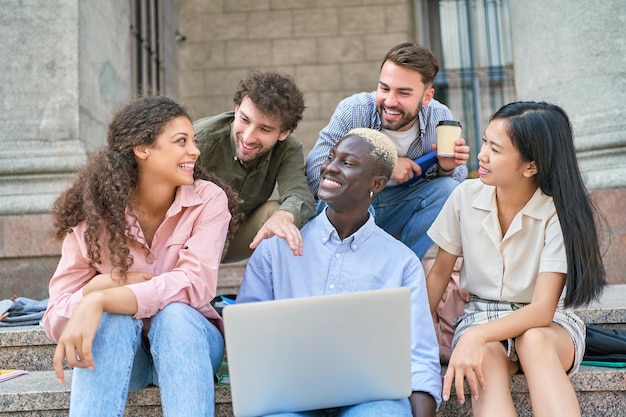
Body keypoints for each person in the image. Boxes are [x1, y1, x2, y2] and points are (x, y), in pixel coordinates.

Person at [42, 95, 243, 417]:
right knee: (113, 320)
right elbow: (55, 318)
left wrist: (105, 298)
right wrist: (97, 290)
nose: (195, 151)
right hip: (123, 355)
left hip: (191, 343)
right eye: (181, 141)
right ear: (142, 148)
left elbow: (195, 285)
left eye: (193, 141)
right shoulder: (94, 213)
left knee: (175, 315)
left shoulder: (207, 200)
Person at [238, 128, 442, 417]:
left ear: (377, 183)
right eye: (332, 157)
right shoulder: (276, 247)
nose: (330, 167)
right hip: (289, 396)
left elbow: (419, 356)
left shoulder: (402, 263)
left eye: (347, 163)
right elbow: (248, 336)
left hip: (370, 399)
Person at [425, 101, 607, 416]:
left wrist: (477, 336)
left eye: (494, 149)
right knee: (485, 357)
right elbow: (440, 274)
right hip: (479, 316)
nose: (481, 155)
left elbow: (541, 311)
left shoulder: (557, 212)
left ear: (530, 166)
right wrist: (416, 333)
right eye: (484, 142)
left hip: (548, 325)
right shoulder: (464, 197)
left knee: (533, 341)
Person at [306, 42, 471, 260]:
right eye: (384, 88)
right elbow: (314, 172)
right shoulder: (354, 110)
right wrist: (385, 165)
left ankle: (398, 265)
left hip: (397, 207)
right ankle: (340, 264)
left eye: (403, 93)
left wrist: (445, 168)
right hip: (349, 209)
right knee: (353, 192)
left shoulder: (439, 117)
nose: (390, 101)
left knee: (448, 190)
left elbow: (457, 185)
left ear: (427, 97)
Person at [194, 69, 316, 262]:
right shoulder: (199, 140)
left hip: (233, 239)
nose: (248, 137)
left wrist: (284, 216)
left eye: (264, 129)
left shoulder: (289, 148)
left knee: (282, 215)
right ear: (236, 109)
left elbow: (299, 195)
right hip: (187, 237)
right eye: (244, 119)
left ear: (284, 133)